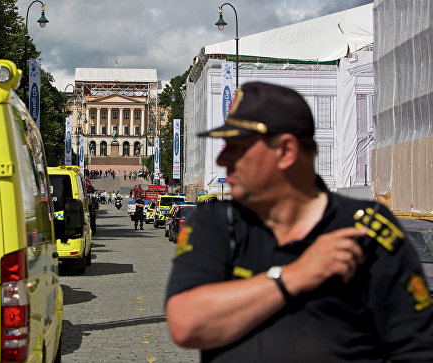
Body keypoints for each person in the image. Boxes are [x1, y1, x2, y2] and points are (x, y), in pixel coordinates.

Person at [165, 82, 433, 362]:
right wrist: (295, 276)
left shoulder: (365, 231)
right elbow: (186, 325)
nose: (222, 159)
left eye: (237, 147)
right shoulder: (217, 222)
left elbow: (416, 348)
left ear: (286, 152)